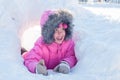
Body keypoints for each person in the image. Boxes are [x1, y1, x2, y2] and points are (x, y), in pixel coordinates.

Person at [22, 9, 77, 75]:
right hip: (31, 56)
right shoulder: (41, 44)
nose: (60, 33)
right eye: (56, 30)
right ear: (48, 32)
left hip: (58, 64)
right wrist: (36, 67)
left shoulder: (68, 43)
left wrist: (66, 63)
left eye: (63, 29)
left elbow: (72, 56)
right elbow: (30, 59)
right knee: (26, 54)